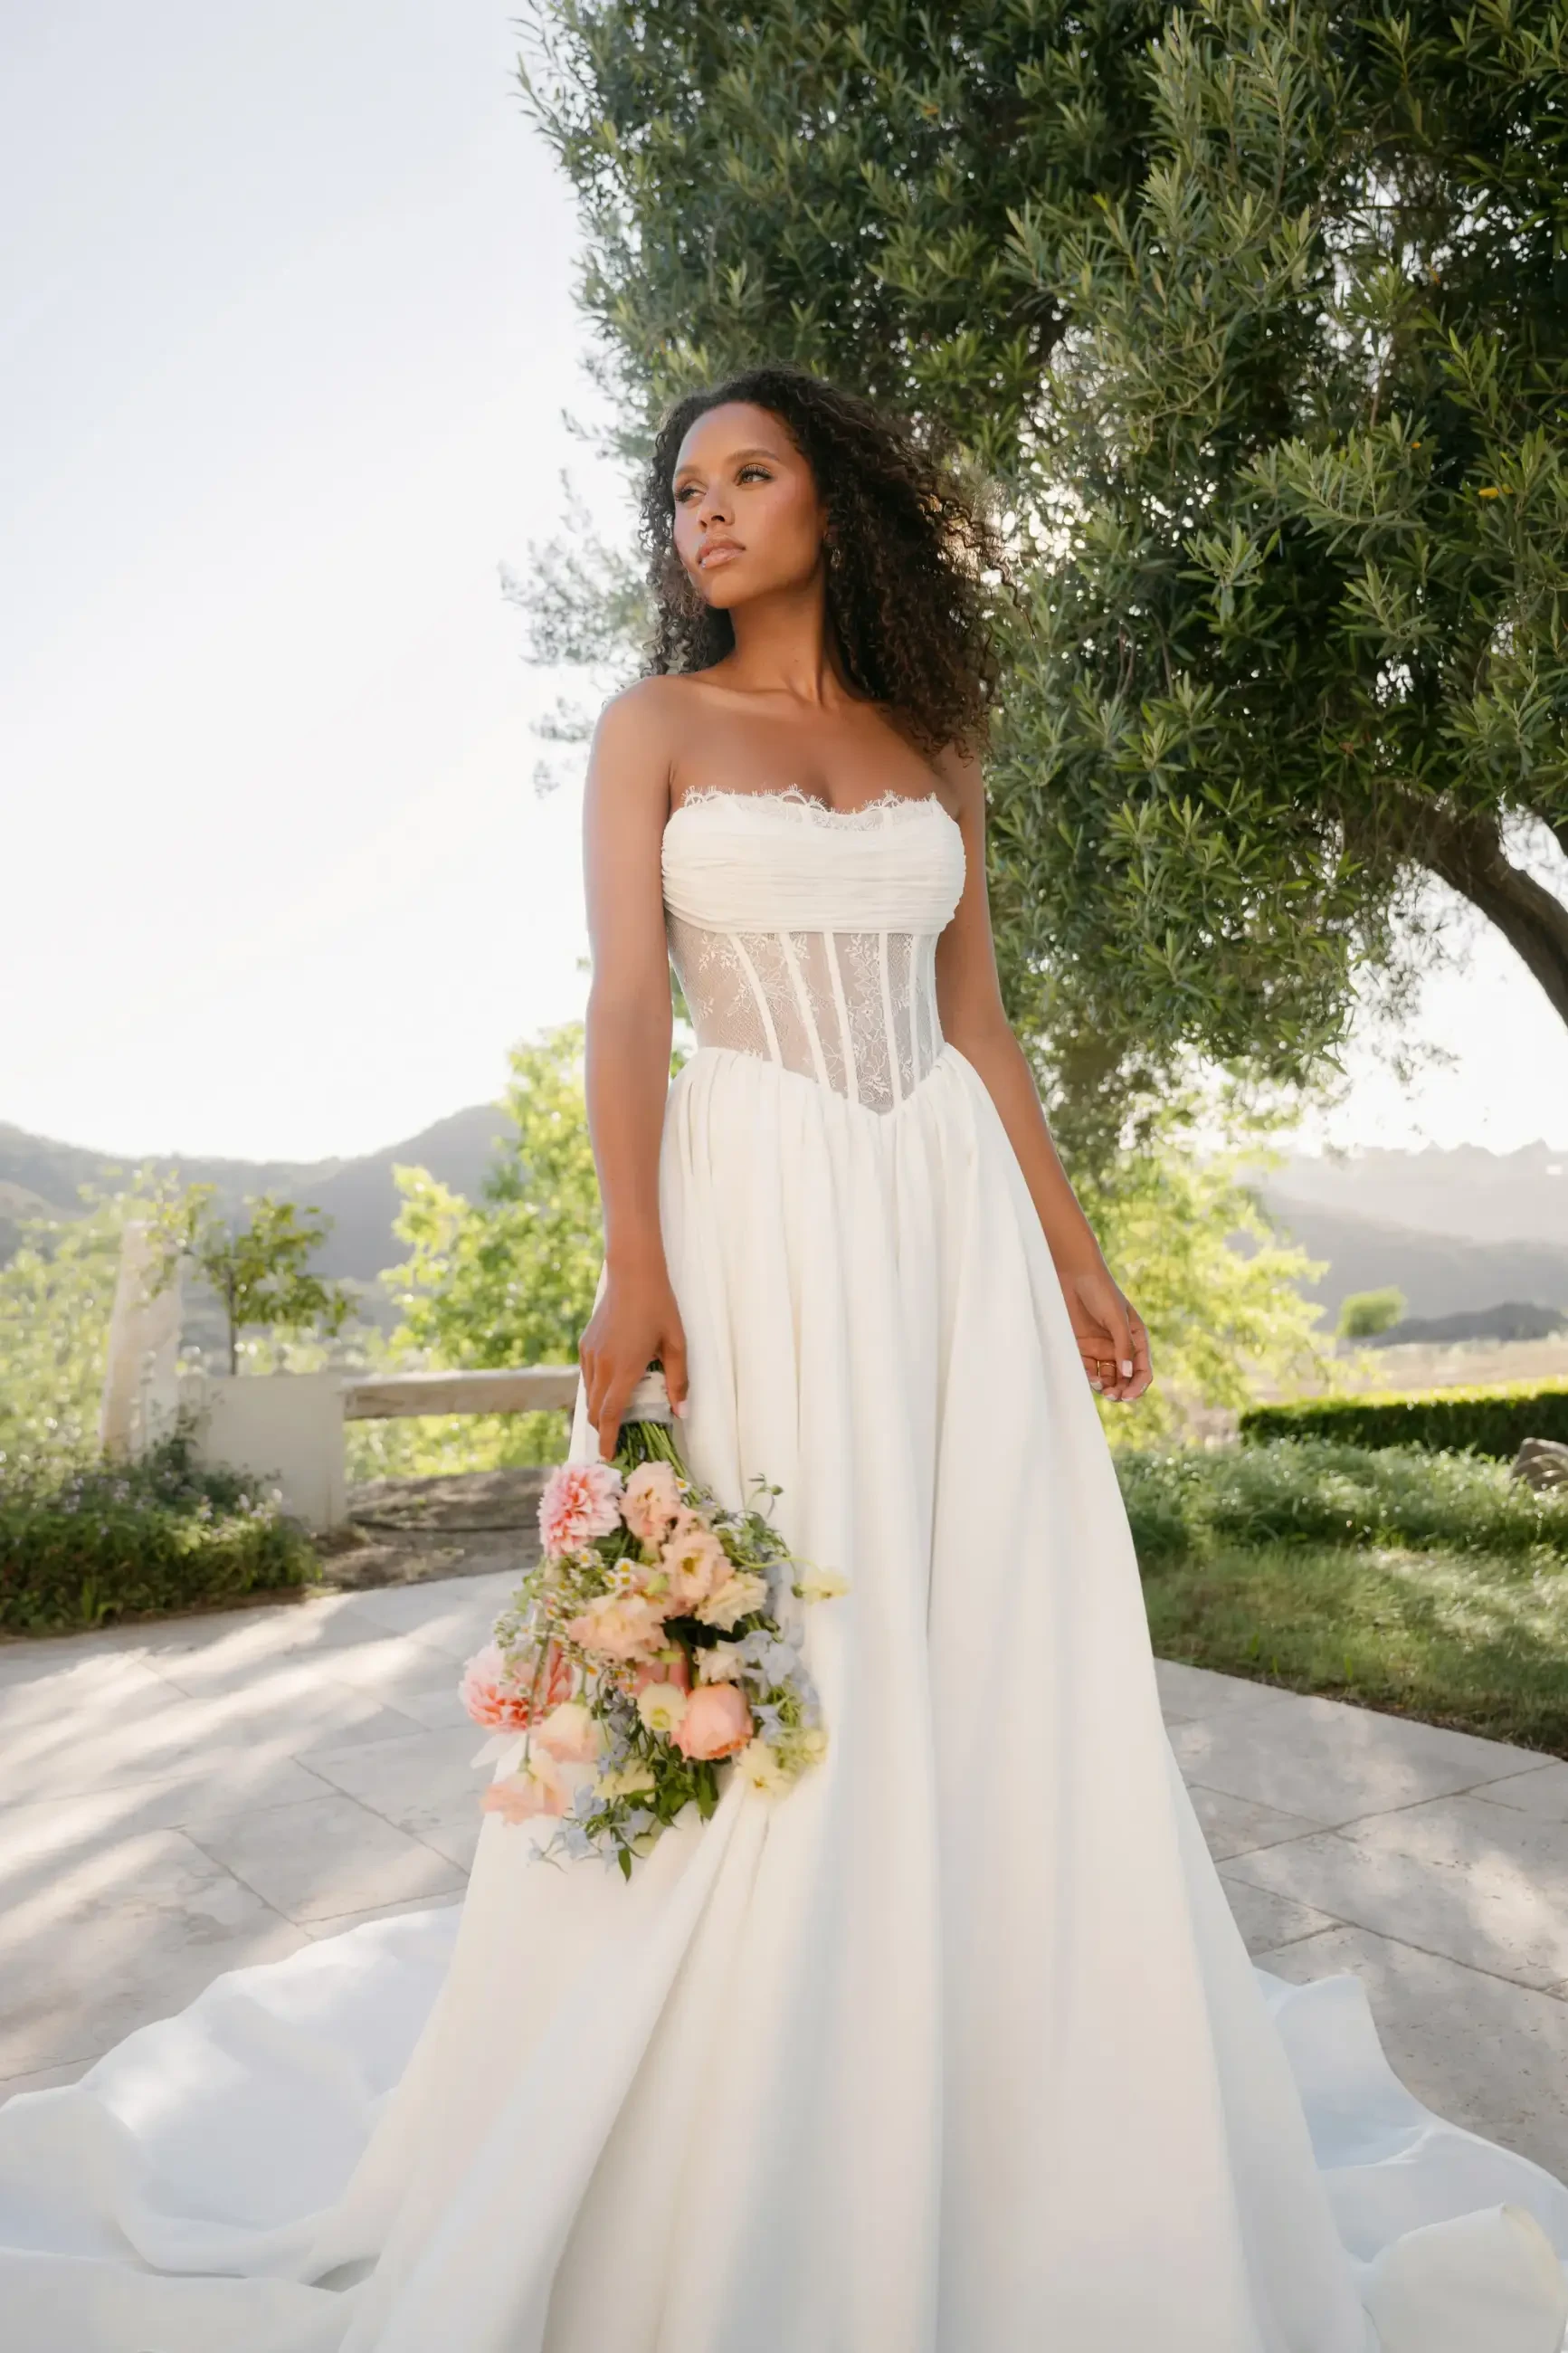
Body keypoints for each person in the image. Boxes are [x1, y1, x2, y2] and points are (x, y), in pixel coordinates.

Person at [1, 364, 1565, 2353]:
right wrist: (631, 1260)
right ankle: (756, 2100)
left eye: (747, 475)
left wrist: (1074, 1256)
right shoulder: (652, 726)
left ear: (839, 503)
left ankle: (1003, 2080)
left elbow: (977, 1021)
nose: (707, 514)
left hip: (940, 1216)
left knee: (981, 1625)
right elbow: (625, 1002)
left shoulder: (938, 740)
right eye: (683, 493)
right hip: (751, 1209)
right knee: (787, 1619)